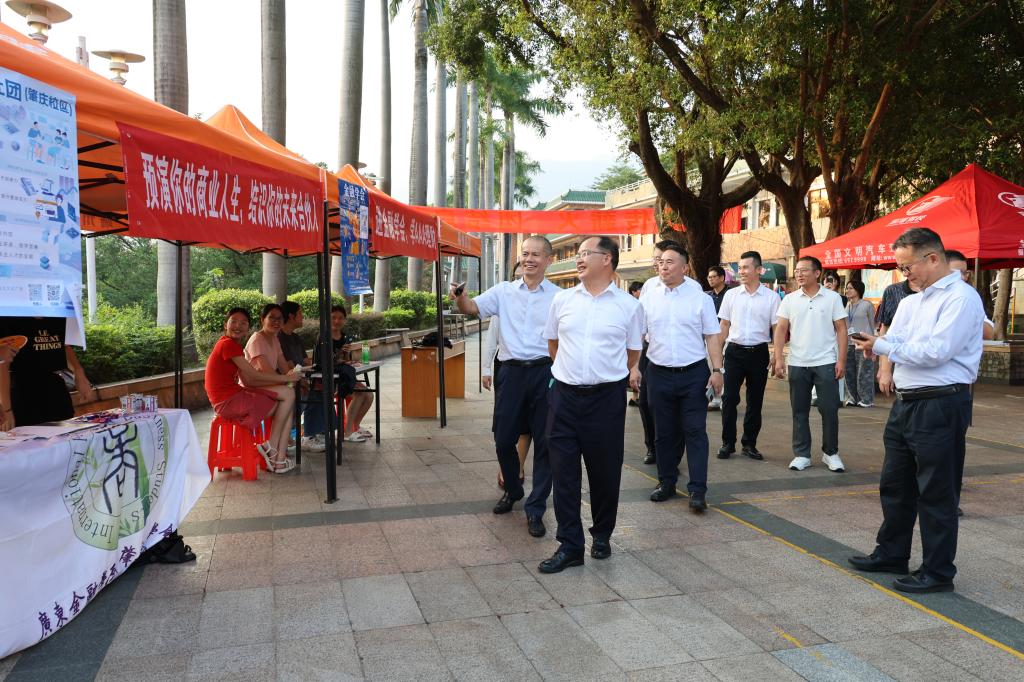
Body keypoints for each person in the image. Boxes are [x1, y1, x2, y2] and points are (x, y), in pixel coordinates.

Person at [848, 228, 984, 594]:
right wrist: (876, 343)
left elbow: (936, 352)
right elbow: (898, 340)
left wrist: (883, 347)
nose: (904, 274)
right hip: (906, 402)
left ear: (933, 258)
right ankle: (892, 552)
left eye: (907, 267)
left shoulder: (961, 299)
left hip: (941, 402)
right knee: (895, 484)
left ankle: (937, 571)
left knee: (936, 491)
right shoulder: (912, 302)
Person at [539, 236, 644, 573]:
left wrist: (602, 374)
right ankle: (570, 545)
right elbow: (553, 345)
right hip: (564, 398)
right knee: (563, 473)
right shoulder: (562, 300)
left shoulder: (629, 306)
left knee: (604, 473)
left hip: (606, 400)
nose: (579, 259)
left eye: (586, 253)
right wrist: (572, 374)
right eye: (579, 253)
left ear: (607, 259)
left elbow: (632, 353)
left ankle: (602, 534)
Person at [452, 236, 558, 538]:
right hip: (510, 373)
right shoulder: (503, 291)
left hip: (545, 372)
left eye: (536, 254)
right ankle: (513, 488)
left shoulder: (560, 297)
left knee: (546, 442)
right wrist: (459, 298)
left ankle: (536, 508)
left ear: (548, 260)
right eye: (525, 253)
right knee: (503, 438)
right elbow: (471, 307)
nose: (529, 259)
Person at [641, 243, 724, 510]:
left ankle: (698, 490)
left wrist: (717, 370)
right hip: (658, 372)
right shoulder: (649, 295)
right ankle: (666, 482)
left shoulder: (700, 298)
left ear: (685, 267)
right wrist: (632, 367)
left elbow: (712, 336)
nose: (663, 266)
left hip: (693, 374)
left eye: (669, 262)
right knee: (663, 433)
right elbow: (636, 334)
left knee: (695, 431)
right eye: (661, 262)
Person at [772, 256, 848, 473]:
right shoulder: (789, 299)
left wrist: (841, 360)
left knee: (829, 409)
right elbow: (781, 329)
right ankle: (802, 454)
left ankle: (830, 453)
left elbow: (841, 329)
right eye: (797, 270)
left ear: (817, 273)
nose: (799, 274)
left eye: (804, 270)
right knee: (799, 410)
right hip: (798, 362)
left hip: (826, 361)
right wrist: (779, 358)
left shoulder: (832, 298)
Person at [204, 308, 300, 473]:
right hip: (227, 402)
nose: (238, 326)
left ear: (248, 327)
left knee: (287, 401)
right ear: (225, 325)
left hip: (232, 397)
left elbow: (248, 379)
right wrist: (286, 379)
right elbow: (253, 375)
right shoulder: (228, 344)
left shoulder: (233, 345)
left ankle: (277, 457)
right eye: (234, 321)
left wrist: (286, 378)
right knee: (287, 399)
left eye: (243, 323)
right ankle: (274, 453)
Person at [717, 251, 780, 461]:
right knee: (729, 398)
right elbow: (724, 325)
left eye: (745, 267)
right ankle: (728, 443)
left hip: (759, 353)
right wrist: (716, 356)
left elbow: (776, 328)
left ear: (759, 270)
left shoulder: (771, 297)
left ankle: (749, 444)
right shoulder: (731, 295)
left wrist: (776, 354)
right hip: (734, 352)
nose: (741, 272)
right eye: (740, 268)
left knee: (755, 400)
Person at [0, 316, 96, 427]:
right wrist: (7, 409)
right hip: (23, 394)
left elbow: (64, 346)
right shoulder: (8, 319)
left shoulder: (58, 315)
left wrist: (79, 372)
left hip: (56, 392)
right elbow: (3, 366)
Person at [304, 305, 374, 445]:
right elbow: (323, 361)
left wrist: (346, 354)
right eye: (333, 318)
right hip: (328, 380)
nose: (337, 321)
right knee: (360, 394)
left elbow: (345, 361)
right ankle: (347, 431)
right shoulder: (323, 336)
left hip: (342, 376)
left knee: (369, 395)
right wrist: (339, 356)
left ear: (344, 320)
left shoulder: (344, 336)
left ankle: (355, 426)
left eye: (340, 318)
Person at [482, 315, 531, 489]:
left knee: (526, 420)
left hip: (535, 365)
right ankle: (505, 466)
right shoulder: (503, 303)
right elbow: (492, 337)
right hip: (506, 364)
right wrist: (485, 368)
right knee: (504, 420)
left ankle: (519, 467)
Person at [946, 250, 996, 341]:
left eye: (964, 273)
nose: (962, 277)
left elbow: (989, 334)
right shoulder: (924, 297)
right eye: (955, 273)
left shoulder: (969, 295)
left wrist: (968, 319)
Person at [844, 281, 876, 407]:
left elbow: (872, 324)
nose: (847, 290)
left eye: (850, 288)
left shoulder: (867, 305)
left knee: (864, 371)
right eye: (847, 288)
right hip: (849, 341)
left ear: (858, 290)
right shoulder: (847, 305)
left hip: (864, 342)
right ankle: (851, 398)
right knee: (849, 371)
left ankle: (866, 399)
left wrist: (872, 343)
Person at [705, 266, 729, 410]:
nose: (711, 279)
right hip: (711, 336)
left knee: (725, 367)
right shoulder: (707, 296)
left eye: (714, 277)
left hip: (728, 334)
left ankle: (724, 398)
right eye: (709, 277)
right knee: (713, 366)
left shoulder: (730, 294)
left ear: (722, 278)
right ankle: (715, 397)